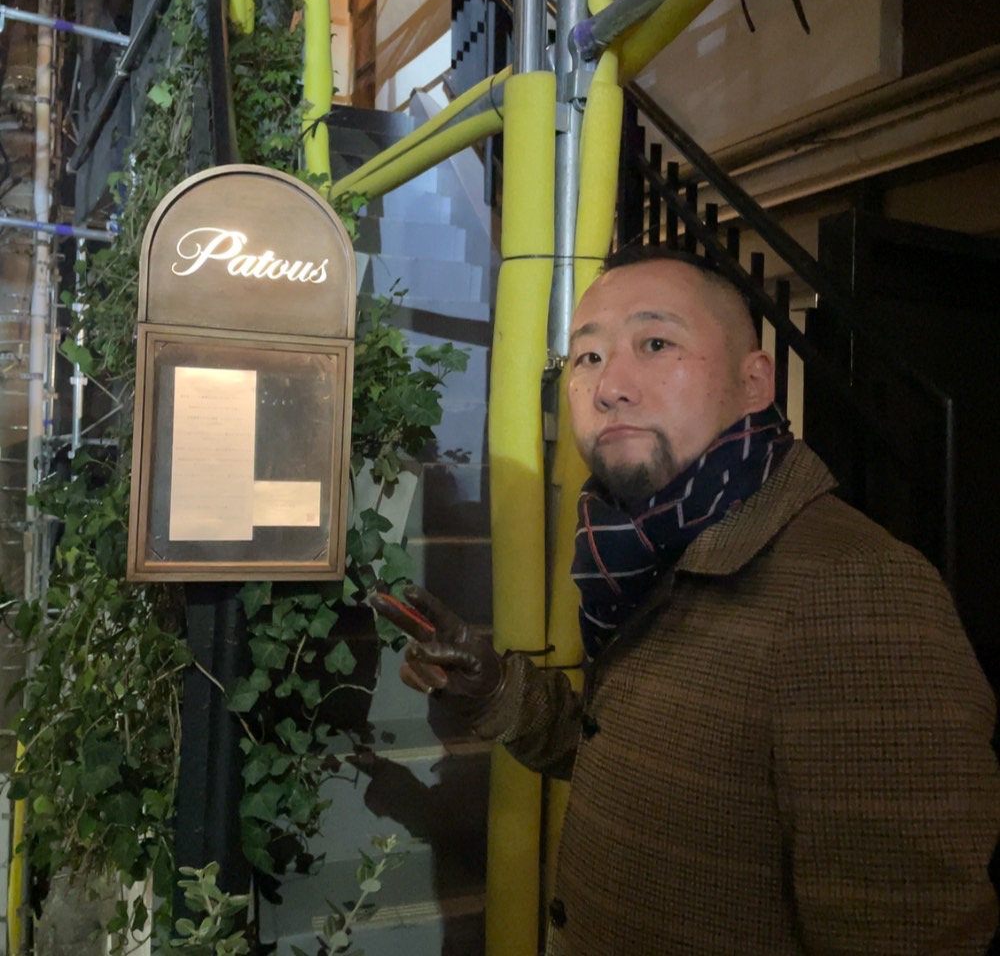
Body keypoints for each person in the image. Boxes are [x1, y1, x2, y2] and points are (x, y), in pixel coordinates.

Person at [372, 245, 1000, 955]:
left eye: (656, 343)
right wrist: (496, 690)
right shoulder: (637, 548)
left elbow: (909, 929)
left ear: (754, 381)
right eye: (588, 357)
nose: (610, 386)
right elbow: (631, 754)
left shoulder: (856, 591)